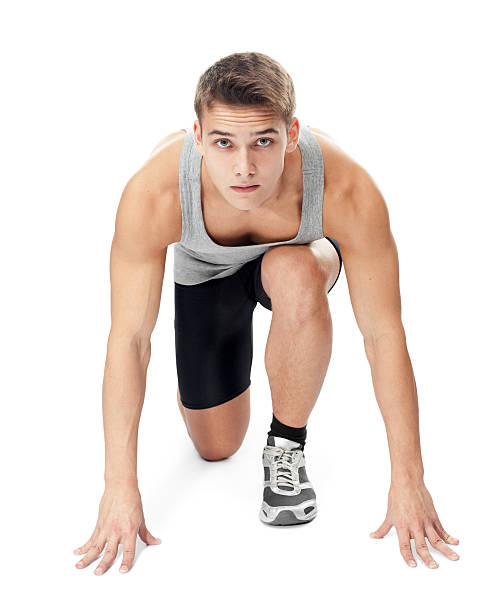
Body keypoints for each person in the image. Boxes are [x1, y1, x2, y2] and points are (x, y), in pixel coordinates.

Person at [73, 51, 460, 575]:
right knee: (215, 447)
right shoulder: (156, 194)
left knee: (296, 272)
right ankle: (210, 377)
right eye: (223, 143)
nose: (245, 167)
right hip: (207, 273)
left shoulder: (346, 189)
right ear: (197, 136)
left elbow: (383, 334)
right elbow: (130, 340)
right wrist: (119, 487)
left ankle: (286, 446)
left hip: (296, 264)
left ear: (292, 132)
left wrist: (409, 478)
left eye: (263, 141)